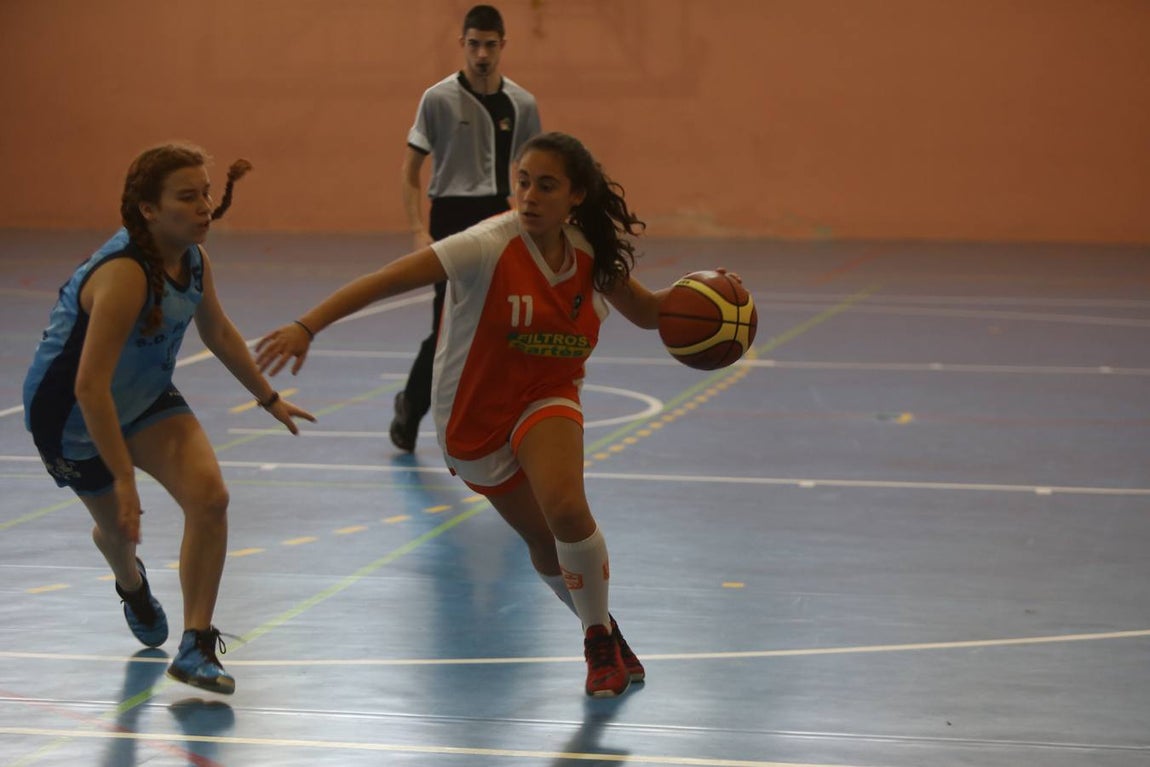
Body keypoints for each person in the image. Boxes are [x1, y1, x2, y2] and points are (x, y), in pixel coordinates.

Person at [256, 131, 677, 697]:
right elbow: (385, 281)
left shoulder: (589, 253)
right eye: (522, 181)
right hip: (473, 421)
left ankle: (597, 639)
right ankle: (600, 624)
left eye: (545, 185)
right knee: (544, 543)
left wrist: (717, 303)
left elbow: (652, 313)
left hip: (547, 395)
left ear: (575, 196)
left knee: (568, 512)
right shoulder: (486, 244)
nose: (528, 195)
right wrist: (308, 324)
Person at [22, 143, 315, 695]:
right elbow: (88, 386)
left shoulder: (194, 259)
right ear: (150, 210)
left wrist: (268, 398)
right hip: (72, 416)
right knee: (117, 531)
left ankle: (196, 646)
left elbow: (219, 331)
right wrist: (127, 479)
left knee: (210, 498)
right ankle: (130, 584)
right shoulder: (124, 275)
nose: (205, 206)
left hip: (146, 397)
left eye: (205, 192)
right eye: (188, 196)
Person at [392, 3, 542, 452]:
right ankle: (411, 407)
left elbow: (532, 170)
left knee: (501, 322)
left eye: (490, 45)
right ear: (462, 44)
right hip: (450, 217)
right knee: (447, 322)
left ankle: (500, 423)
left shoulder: (522, 104)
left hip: (498, 213)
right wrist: (419, 228)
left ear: (502, 46)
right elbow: (409, 170)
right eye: (473, 44)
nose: (481, 54)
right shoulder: (437, 99)